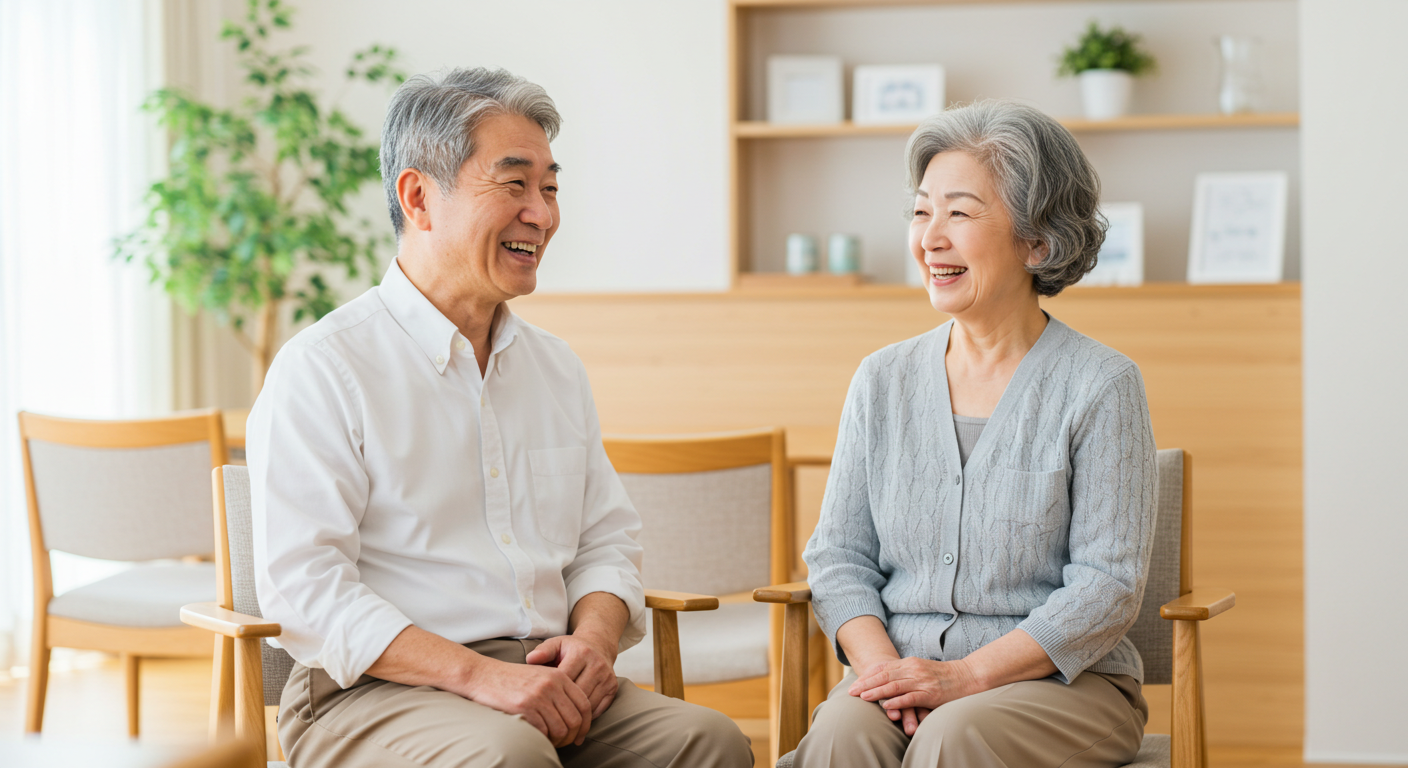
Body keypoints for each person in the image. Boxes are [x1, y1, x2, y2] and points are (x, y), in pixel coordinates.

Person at [247, 67, 751, 768]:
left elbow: (607, 541)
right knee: (511, 756)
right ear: (418, 198)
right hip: (370, 692)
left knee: (710, 743)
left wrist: (594, 642)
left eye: (549, 188)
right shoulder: (324, 368)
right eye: (514, 184)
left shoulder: (555, 368)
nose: (542, 214)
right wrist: (482, 676)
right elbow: (305, 590)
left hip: (539, 675)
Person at [796, 100, 1157, 768]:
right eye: (921, 211)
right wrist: (884, 678)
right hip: (900, 672)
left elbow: (1107, 585)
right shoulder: (882, 380)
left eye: (959, 213)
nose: (930, 237)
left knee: (953, 735)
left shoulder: (1102, 385)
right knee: (843, 734)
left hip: (1061, 687)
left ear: (1037, 240)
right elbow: (839, 555)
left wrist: (963, 679)